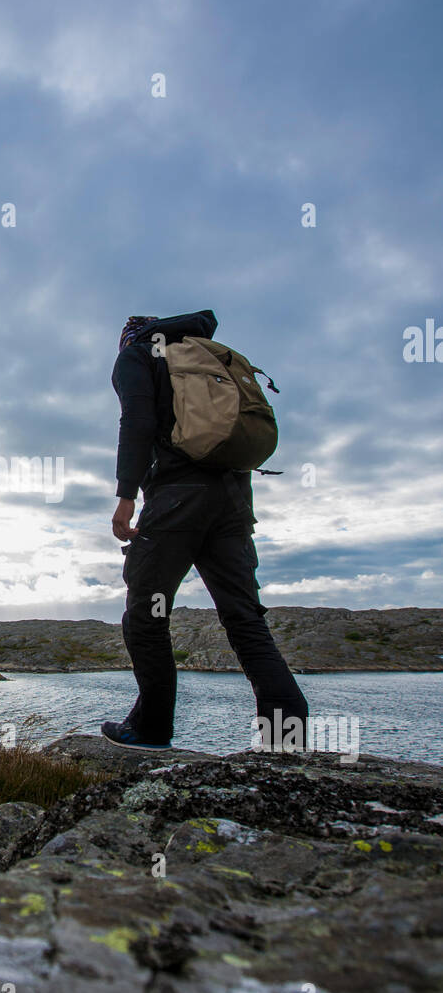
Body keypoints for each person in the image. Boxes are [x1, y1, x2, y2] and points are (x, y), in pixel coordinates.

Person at [101, 310, 309, 752]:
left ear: (128, 337)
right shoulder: (210, 355)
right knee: (244, 617)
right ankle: (285, 738)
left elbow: (135, 422)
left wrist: (126, 495)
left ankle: (151, 729)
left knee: (146, 613)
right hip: (233, 499)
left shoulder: (138, 354)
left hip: (178, 498)